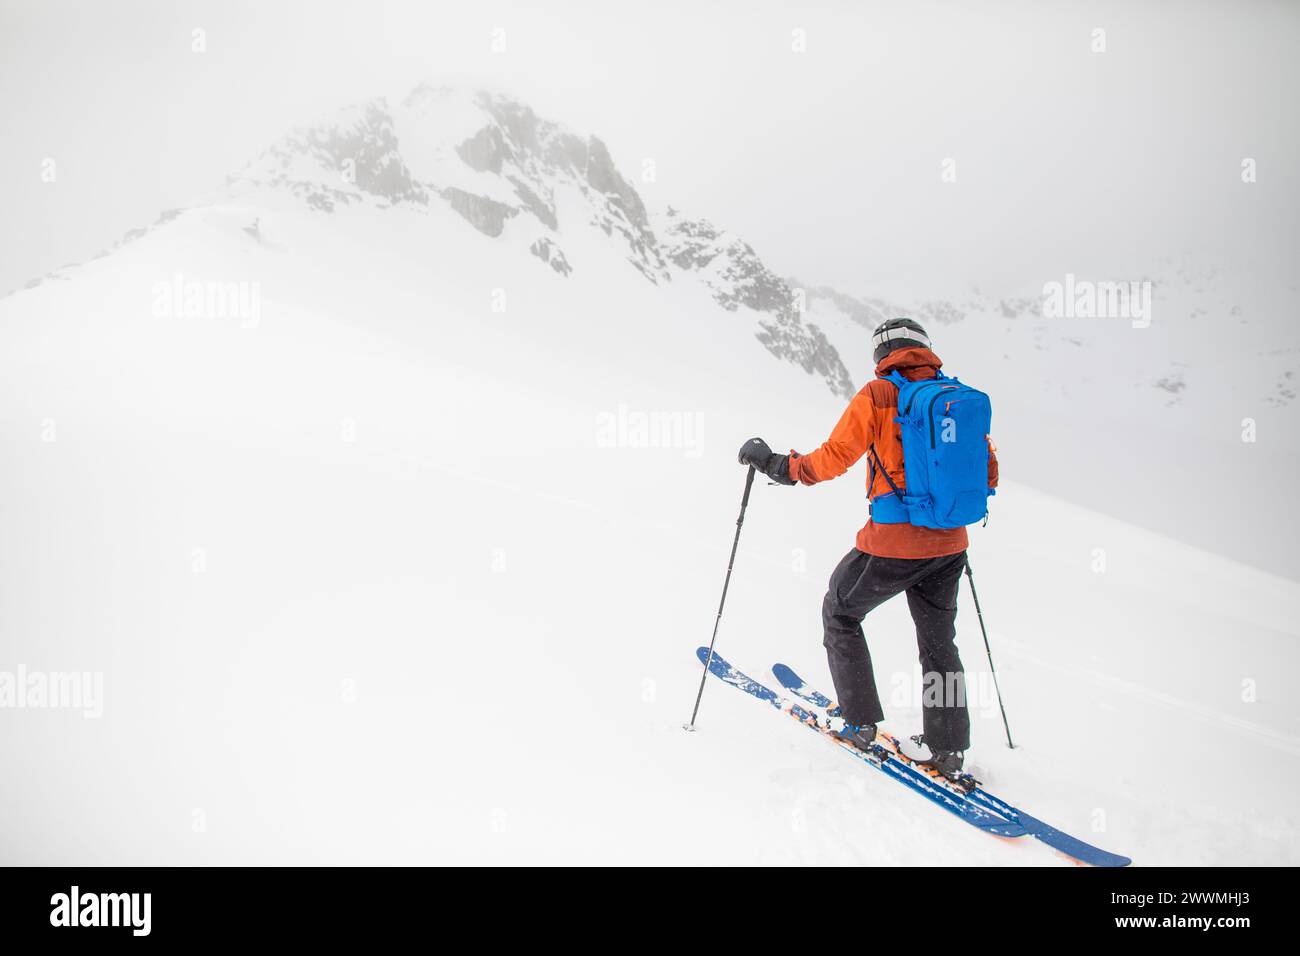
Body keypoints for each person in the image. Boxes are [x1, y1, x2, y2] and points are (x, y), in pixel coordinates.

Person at [737, 317, 998, 780]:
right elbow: (988, 473)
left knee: (841, 612)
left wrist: (781, 465)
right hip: (951, 544)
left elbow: (834, 457)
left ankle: (859, 723)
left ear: (882, 355)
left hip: (893, 543)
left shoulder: (879, 395)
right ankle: (948, 748)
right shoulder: (957, 398)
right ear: (925, 349)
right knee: (940, 644)